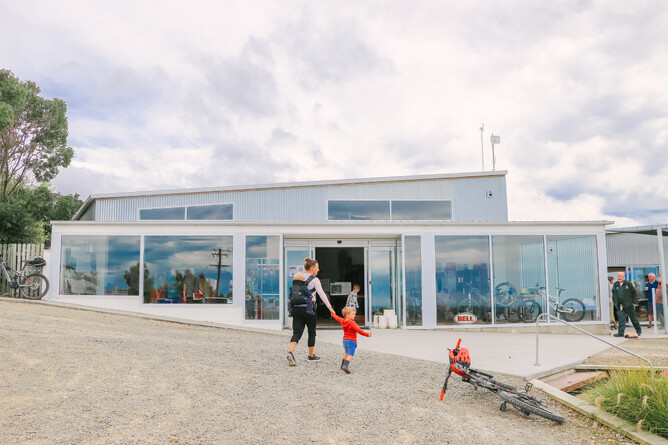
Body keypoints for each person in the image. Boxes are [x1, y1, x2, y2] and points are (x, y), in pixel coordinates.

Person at [287, 257, 334, 365]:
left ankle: (291, 352)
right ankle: (311, 356)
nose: (318, 269)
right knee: (311, 332)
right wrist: (330, 307)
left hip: (296, 309)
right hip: (309, 309)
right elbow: (321, 294)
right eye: (317, 267)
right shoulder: (315, 279)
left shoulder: (299, 278)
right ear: (312, 268)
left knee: (297, 332)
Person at [331, 306, 371, 374]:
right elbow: (359, 331)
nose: (354, 315)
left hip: (345, 341)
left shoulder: (343, 321)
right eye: (353, 314)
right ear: (347, 315)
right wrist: (367, 334)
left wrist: (333, 314)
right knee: (350, 354)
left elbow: (337, 318)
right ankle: (345, 366)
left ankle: (342, 365)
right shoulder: (352, 323)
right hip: (351, 341)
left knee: (346, 353)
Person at [612, 271, 641, 337]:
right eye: (618, 276)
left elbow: (634, 292)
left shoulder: (628, 284)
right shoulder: (616, 284)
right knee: (621, 319)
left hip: (629, 305)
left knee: (633, 319)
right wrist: (615, 303)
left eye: (620, 276)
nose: (618, 278)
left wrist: (634, 302)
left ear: (623, 277)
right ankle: (621, 332)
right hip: (620, 306)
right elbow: (614, 294)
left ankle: (638, 331)